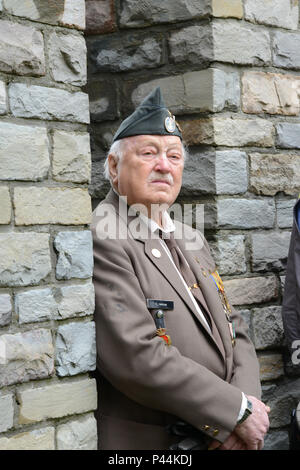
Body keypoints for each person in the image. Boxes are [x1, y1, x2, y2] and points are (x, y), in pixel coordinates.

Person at [91, 87, 270, 450]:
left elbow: (235, 331)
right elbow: (136, 357)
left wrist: (245, 407)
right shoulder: (104, 234)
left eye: (174, 156)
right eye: (148, 153)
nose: (164, 165)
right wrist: (232, 413)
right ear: (113, 166)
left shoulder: (189, 236)